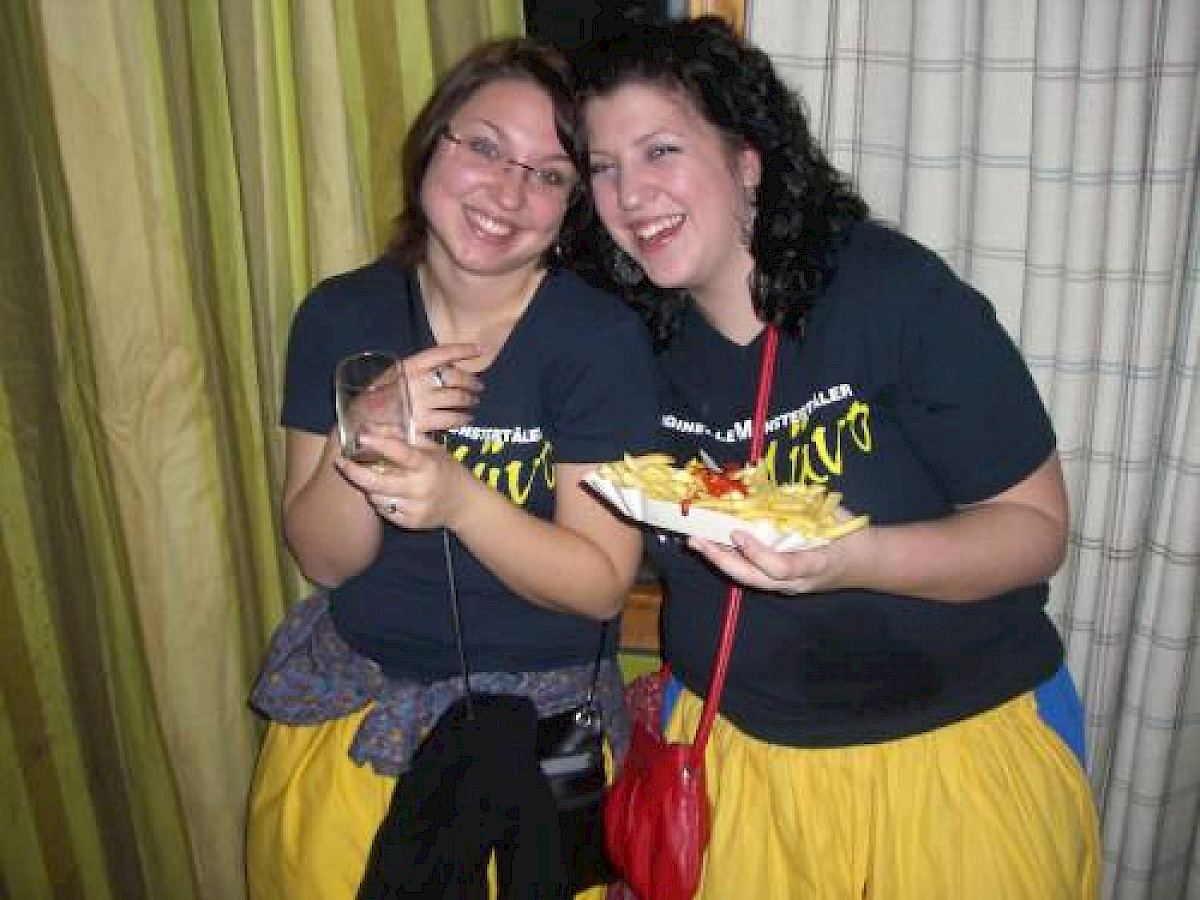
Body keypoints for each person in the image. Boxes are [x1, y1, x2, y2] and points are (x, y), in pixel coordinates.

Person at [570, 16, 1101, 899]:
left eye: (661, 150)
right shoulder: (625, 343)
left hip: (952, 758)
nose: (630, 194)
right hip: (736, 762)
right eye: (603, 167)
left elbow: (1035, 530)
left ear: (747, 159)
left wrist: (852, 559)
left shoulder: (890, 292)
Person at [245, 37, 658, 899]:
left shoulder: (597, 340)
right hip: (366, 721)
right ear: (433, 142)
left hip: (543, 741)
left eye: (548, 174)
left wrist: (462, 501)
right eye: (485, 147)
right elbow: (324, 559)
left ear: (572, 205)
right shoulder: (340, 315)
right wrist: (366, 431)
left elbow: (598, 586)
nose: (507, 192)